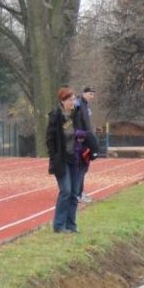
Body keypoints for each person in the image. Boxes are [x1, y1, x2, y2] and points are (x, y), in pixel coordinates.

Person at [47, 86, 89, 233]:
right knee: (66, 190)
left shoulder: (78, 114)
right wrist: (54, 156)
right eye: (70, 99)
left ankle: (71, 225)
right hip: (62, 159)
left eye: (74, 99)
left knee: (74, 193)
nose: (73, 102)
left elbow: (86, 131)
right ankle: (59, 226)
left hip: (77, 158)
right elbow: (50, 139)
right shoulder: (56, 115)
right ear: (63, 101)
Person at [73, 86, 99, 204]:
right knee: (80, 168)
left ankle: (79, 191)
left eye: (93, 94)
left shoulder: (85, 106)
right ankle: (77, 194)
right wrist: (82, 137)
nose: (92, 96)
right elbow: (78, 124)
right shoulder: (78, 105)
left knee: (84, 168)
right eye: (90, 94)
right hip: (80, 142)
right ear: (84, 93)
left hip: (86, 140)